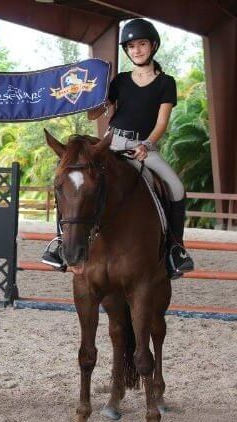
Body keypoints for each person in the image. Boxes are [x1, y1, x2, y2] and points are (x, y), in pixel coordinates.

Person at [42, 18, 194, 279]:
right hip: (111, 143)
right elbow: (97, 115)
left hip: (144, 146)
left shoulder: (166, 83)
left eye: (142, 44)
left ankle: (175, 248)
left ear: (153, 46)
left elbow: (161, 122)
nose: (136, 50)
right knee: (75, 183)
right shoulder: (120, 80)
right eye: (131, 46)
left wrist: (148, 144)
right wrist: (93, 102)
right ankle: (59, 242)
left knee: (177, 188)